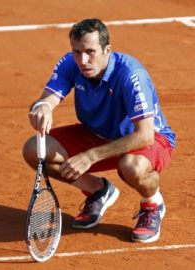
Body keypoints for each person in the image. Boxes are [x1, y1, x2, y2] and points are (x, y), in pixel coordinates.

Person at [23, 18, 175, 243]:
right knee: (36, 149)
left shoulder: (131, 75)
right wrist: (42, 107)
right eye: (76, 52)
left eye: (90, 52)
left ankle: (153, 204)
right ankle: (98, 190)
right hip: (97, 135)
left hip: (145, 140)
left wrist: (90, 156)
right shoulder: (71, 63)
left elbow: (144, 135)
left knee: (131, 167)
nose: (83, 60)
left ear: (107, 50)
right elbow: (46, 99)